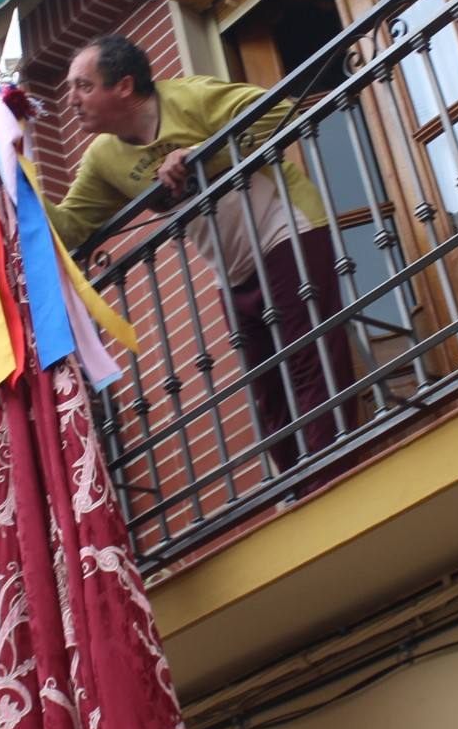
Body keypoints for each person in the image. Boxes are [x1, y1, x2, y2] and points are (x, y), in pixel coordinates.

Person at [44, 35, 357, 494]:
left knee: (309, 358)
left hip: (285, 228)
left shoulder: (189, 97)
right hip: (228, 267)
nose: (71, 101)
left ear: (125, 86)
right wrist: (19, 187)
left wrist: (200, 154)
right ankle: (297, 484)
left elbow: (276, 109)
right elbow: (71, 227)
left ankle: (332, 477)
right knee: (265, 386)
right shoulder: (102, 159)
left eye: (83, 87)